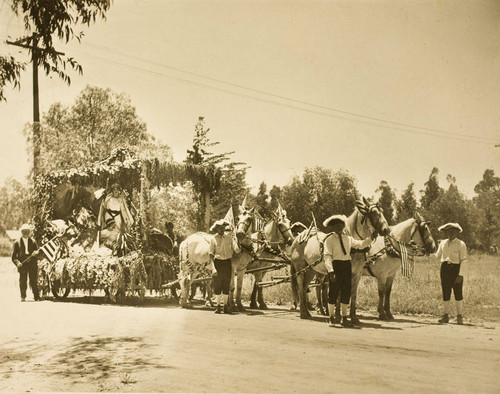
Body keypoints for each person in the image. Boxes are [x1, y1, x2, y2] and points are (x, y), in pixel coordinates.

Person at [322, 215, 376, 327]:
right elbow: (327, 256)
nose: (339, 228)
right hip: (335, 266)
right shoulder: (329, 240)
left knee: (346, 292)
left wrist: (371, 238)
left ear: (343, 226)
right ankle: (331, 317)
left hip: (347, 265)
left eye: (341, 225)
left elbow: (360, 245)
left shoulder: (348, 239)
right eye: (337, 226)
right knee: (333, 292)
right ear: (333, 227)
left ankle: (344, 318)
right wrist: (330, 271)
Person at [434, 222, 468, 325]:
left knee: (458, 293)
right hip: (445, 268)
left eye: (453, 231)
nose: (451, 233)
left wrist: (460, 275)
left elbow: (464, 260)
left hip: (456, 269)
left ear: (457, 232)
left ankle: (459, 316)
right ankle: (445, 315)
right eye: (448, 231)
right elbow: (437, 256)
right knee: (446, 291)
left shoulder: (461, 244)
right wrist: (427, 252)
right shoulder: (443, 243)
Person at [209, 219, 241, 314]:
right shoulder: (213, 239)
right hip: (217, 263)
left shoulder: (229, 238)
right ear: (217, 229)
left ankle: (226, 306)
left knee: (226, 284)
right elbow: (211, 254)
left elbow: (236, 250)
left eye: (223, 228)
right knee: (218, 285)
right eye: (220, 228)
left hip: (227, 263)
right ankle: (218, 306)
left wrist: (239, 241)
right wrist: (213, 268)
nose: (221, 229)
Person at [97, 183, 134, 250]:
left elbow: (125, 209)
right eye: (114, 189)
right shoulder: (108, 198)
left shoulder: (121, 199)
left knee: (118, 231)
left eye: (117, 189)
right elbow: (103, 206)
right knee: (109, 229)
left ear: (119, 190)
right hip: (109, 215)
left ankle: (116, 246)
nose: (116, 190)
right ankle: (108, 244)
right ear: (112, 190)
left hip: (118, 215)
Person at [11, 224, 40, 302]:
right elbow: (13, 257)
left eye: (27, 231)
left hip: (32, 263)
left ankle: (36, 297)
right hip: (23, 264)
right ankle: (23, 296)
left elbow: (37, 252)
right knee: (23, 280)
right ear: (21, 232)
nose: (26, 233)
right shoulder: (17, 242)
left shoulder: (33, 241)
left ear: (29, 232)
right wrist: (18, 263)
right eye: (24, 231)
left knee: (33, 280)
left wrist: (36, 253)